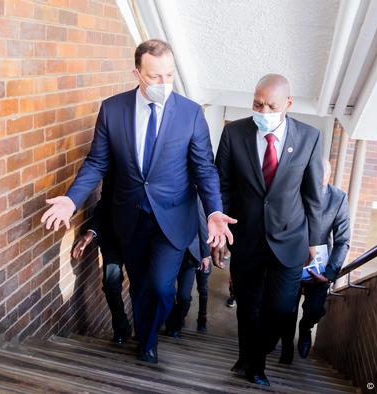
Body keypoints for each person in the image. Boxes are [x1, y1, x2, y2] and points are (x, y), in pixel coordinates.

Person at [41, 39, 236, 364]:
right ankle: (143, 336)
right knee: (139, 284)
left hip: (173, 220)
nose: (164, 84)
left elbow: (204, 169)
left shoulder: (190, 114)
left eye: (169, 76)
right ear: (137, 73)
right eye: (155, 76)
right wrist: (72, 200)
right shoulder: (113, 109)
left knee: (162, 288)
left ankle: (147, 338)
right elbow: (97, 163)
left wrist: (215, 209)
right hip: (129, 219)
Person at [212, 74, 326, 386]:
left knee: (279, 309)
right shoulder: (234, 133)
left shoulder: (309, 137)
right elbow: (222, 186)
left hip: (290, 239)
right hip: (247, 236)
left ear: (288, 104)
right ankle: (254, 365)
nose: (262, 111)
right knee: (248, 307)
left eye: (270, 105)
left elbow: (313, 195)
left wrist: (315, 241)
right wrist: (220, 231)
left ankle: (252, 355)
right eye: (257, 104)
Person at [278, 159, 350, 364]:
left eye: (321, 182)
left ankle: (306, 327)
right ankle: (286, 351)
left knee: (315, 309)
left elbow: (343, 240)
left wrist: (329, 274)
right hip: (290, 260)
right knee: (286, 309)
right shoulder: (293, 191)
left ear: (328, 178)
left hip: (319, 268)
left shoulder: (338, 199)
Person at [71, 172, 132, 345]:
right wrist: (91, 233)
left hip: (138, 240)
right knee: (111, 284)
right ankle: (121, 328)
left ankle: (144, 334)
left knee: (141, 287)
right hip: (112, 238)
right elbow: (103, 205)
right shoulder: (114, 169)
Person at [164, 200, 211, 337]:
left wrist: (205, 254)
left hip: (189, 255)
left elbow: (202, 225)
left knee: (184, 297)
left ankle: (177, 324)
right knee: (165, 292)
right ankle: (171, 323)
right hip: (168, 253)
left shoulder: (194, 197)